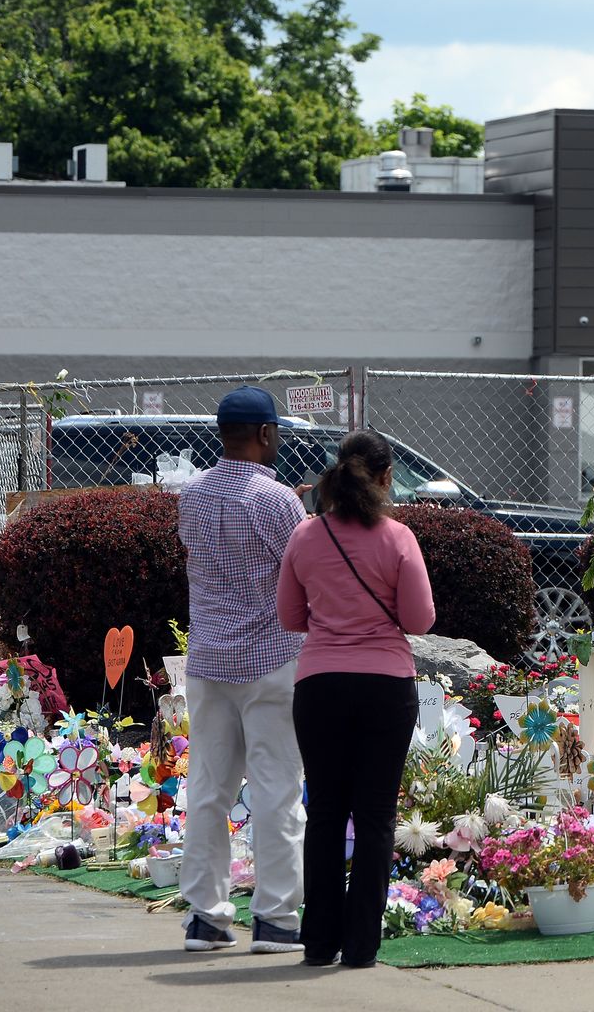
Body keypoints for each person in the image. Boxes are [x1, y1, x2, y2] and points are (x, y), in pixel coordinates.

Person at [277, 429, 436, 968]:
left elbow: (290, 618)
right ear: (388, 477)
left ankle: (318, 941)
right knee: (374, 816)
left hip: (318, 684)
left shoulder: (305, 536)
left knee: (323, 812)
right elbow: (419, 620)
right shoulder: (399, 539)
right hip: (385, 685)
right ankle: (362, 946)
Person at [175, 386, 308, 955]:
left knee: (208, 788)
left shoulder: (192, 495)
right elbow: (300, 572)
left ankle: (206, 918)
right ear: (265, 434)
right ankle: (275, 919)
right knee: (277, 790)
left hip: (207, 659)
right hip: (272, 660)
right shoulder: (278, 501)